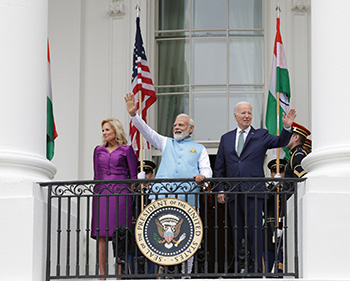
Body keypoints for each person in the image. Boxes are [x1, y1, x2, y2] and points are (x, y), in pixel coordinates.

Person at [125, 92, 212, 275]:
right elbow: (147, 132)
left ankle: (186, 275)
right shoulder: (166, 142)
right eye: (175, 125)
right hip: (161, 199)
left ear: (191, 128)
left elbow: (206, 170)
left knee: (189, 238)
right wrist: (134, 115)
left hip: (187, 200)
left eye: (181, 125)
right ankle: (160, 273)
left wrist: (202, 176)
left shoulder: (199, 148)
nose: (176, 128)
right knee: (159, 239)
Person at [214, 101, 296, 273]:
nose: (247, 116)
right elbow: (219, 168)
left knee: (255, 230)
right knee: (236, 231)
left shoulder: (261, 135)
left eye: (249, 113)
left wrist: (287, 128)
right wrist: (220, 189)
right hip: (233, 192)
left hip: (254, 191)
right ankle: (239, 266)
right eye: (243, 113)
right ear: (235, 116)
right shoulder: (226, 138)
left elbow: (281, 140)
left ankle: (257, 267)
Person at [91, 118, 138, 279]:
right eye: (103, 130)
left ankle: (119, 275)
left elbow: (133, 177)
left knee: (120, 234)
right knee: (101, 234)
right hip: (102, 193)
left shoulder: (126, 150)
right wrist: (97, 191)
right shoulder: (98, 150)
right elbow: (96, 175)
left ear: (116, 131)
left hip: (121, 194)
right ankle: (102, 275)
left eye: (107, 130)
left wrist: (126, 193)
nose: (104, 133)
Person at [263, 158, 287, 273]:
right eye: (275, 172)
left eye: (281, 171)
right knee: (269, 260)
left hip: (284, 226)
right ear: (272, 174)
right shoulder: (267, 189)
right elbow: (264, 203)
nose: (279, 174)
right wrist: (274, 186)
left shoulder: (288, 188)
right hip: (270, 228)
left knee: (282, 263)